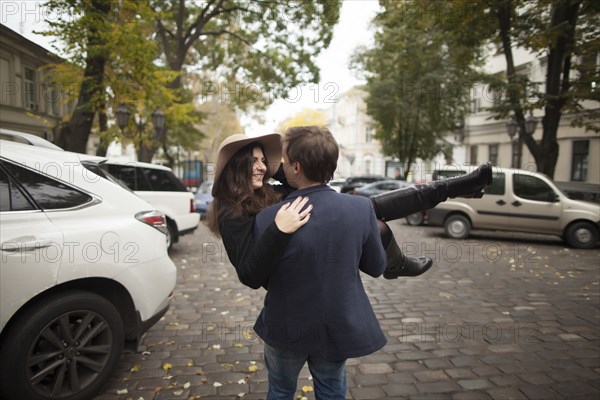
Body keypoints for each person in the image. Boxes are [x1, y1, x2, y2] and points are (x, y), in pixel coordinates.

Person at [253, 126, 386, 398]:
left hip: (284, 323)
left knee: (279, 390)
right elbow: (376, 266)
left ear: (296, 168)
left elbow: (262, 276)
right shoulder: (361, 209)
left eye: (286, 162)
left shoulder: (268, 217)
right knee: (331, 390)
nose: (282, 167)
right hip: (336, 325)